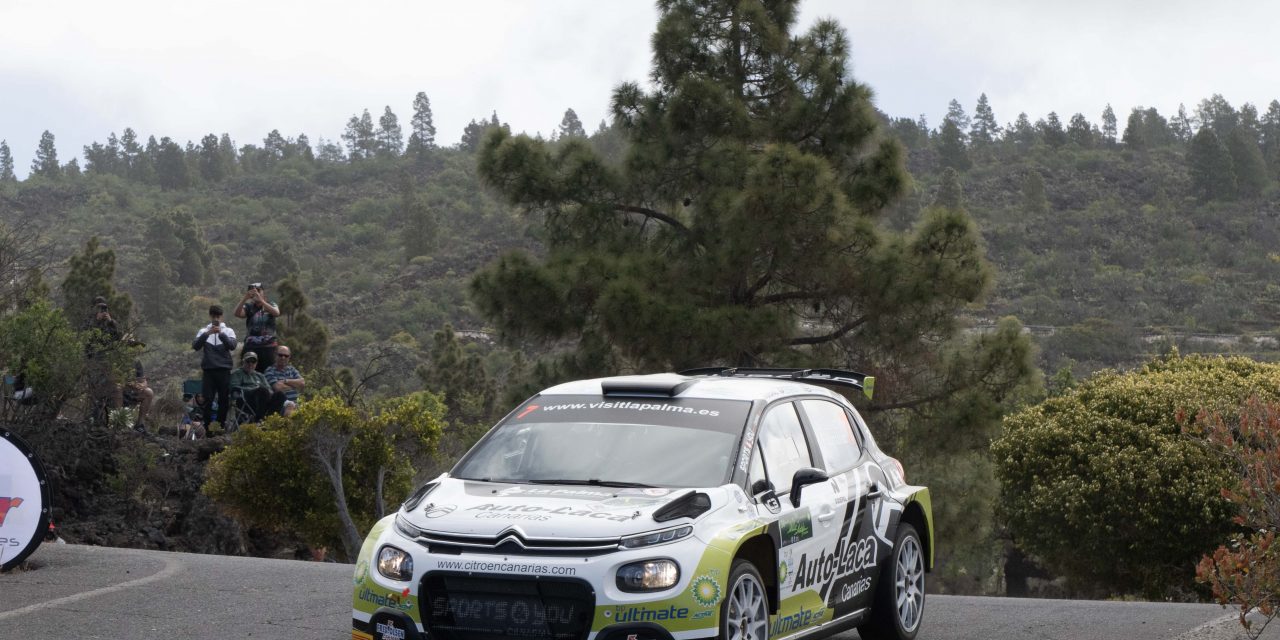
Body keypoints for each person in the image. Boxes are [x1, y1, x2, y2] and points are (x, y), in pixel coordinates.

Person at [192, 305, 237, 431]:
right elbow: (195, 346)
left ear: (221, 317)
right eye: (213, 316)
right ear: (210, 316)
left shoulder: (228, 331)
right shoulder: (203, 331)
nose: (216, 319)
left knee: (224, 400)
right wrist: (208, 333)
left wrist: (221, 334)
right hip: (209, 370)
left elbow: (232, 346)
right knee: (207, 400)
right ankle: (208, 428)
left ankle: (220, 426)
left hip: (224, 369)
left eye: (218, 316)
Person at [229, 351, 286, 422]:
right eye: (248, 361)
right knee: (262, 390)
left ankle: (270, 421)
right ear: (243, 361)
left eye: (253, 362)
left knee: (280, 395)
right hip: (246, 400)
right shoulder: (237, 373)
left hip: (263, 399)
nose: (250, 364)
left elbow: (269, 389)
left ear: (256, 363)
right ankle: (259, 420)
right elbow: (234, 388)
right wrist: (253, 389)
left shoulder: (260, 375)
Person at [236, 282, 280, 371]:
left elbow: (276, 313)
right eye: (253, 291)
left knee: (269, 373)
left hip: (269, 347)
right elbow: (237, 313)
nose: (256, 293)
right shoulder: (249, 306)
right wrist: (245, 298)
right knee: (250, 372)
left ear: (263, 292)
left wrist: (262, 301)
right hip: (251, 347)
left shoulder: (271, 303)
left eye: (259, 291)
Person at [262, 345, 304, 416]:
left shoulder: (292, 369)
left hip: (296, 404)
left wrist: (285, 381)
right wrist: (294, 385)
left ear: (289, 357)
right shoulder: (269, 371)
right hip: (279, 406)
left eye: (286, 356)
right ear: (275, 355)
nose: (283, 358)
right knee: (290, 408)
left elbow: (302, 383)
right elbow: (278, 388)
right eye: (280, 355)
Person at [122, 360, 155, 433]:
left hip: (132, 392)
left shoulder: (136, 362)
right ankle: (118, 424)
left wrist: (140, 385)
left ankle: (140, 425)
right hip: (117, 392)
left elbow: (143, 381)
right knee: (117, 388)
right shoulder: (114, 357)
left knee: (149, 392)